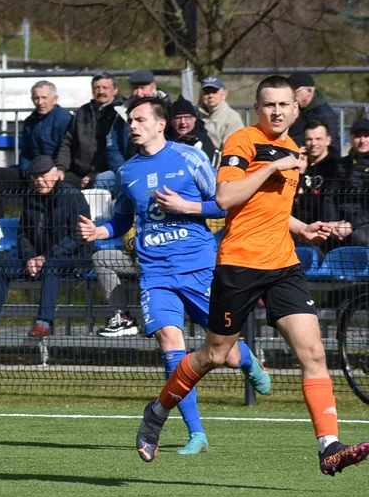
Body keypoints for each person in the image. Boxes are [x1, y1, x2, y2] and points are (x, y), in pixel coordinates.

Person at [135, 75, 369, 475]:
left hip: (284, 266)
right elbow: (225, 199)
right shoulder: (243, 141)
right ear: (257, 109)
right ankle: (157, 411)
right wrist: (274, 165)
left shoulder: (294, 147)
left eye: (284, 105)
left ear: (296, 110)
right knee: (215, 355)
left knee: (313, 353)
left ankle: (328, 446)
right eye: (269, 105)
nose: (277, 111)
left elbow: (269, 208)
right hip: (239, 264)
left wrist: (301, 228)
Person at [78, 96, 271, 455]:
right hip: (155, 274)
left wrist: (186, 207)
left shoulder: (189, 157)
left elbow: (225, 201)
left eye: (139, 119)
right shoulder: (127, 171)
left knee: (223, 353)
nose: (133, 126)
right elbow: (123, 219)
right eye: (130, 121)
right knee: (172, 347)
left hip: (198, 267)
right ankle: (196, 434)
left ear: (159, 123)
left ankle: (245, 358)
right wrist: (100, 232)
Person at [0, 156, 91, 339]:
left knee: (51, 267)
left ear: (55, 175)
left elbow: (78, 236)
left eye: (43, 176)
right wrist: (30, 256)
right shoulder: (31, 196)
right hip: (36, 255)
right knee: (3, 267)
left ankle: (43, 323)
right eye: (35, 177)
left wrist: (46, 257)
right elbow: (23, 233)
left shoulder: (73, 196)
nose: (39, 181)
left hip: (71, 254)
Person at [56, 72, 126, 189]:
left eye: (105, 88)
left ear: (115, 90)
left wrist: (93, 174)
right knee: (60, 186)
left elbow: (112, 148)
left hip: (104, 170)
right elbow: (68, 143)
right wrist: (60, 168)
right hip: (77, 171)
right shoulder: (83, 111)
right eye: (97, 88)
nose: (101, 91)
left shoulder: (119, 113)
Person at [293, 121, 341, 251]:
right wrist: (298, 170)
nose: (313, 143)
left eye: (318, 139)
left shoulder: (336, 167)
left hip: (323, 231)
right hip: (299, 226)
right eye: (309, 139)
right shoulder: (301, 166)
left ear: (328, 140)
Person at [19, 81, 72, 175]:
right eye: (36, 98)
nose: (40, 102)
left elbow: (65, 151)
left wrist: (55, 171)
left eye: (44, 98)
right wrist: (26, 172)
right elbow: (25, 153)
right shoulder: (29, 122)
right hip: (33, 170)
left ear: (55, 99)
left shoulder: (65, 119)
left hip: (55, 170)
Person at [333, 118, 369, 247]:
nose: (362, 140)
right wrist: (331, 222)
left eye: (366, 135)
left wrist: (352, 224)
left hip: (363, 222)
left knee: (360, 239)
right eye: (358, 136)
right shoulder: (341, 164)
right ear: (351, 138)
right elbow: (330, 196)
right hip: (342, 220)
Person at [287, 72, 339, 155]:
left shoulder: (325, 114)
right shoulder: (298, 110)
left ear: (308, 91)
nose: (291, 97)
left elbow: (332, 147)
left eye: (294, 93)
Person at [197, 75, 243, 151]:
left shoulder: (232, 118)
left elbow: (232, 150)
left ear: (224, 94)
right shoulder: (196, 116)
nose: (210, 95)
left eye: (214, 92)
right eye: (207, 92)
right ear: (201, 95)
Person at [167, 96, 217, 163]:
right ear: (171, 120)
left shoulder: (202, 141)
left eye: (187, 117)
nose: (183, 122)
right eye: (178, 118)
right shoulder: (163, 138)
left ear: (194, 119)